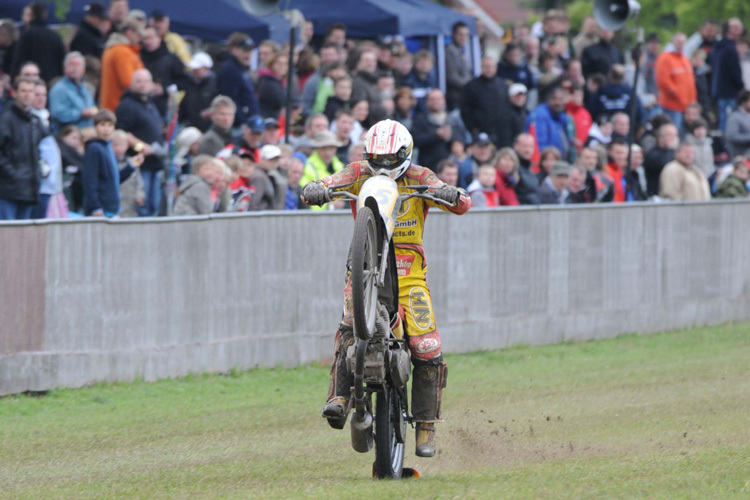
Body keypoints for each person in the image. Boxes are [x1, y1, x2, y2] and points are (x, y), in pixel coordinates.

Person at [301, 119, 470, 458]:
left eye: (392, 159)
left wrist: (450, 193)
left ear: (405, 155)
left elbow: (462, 204)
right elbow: (324, 184)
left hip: (410, 274)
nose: (384, 166)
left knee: (427, 345)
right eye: (377, 158)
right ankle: (339, 397)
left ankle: (425, 425)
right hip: (364, 269)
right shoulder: (356, 172)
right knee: (350, 327)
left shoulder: (421, 177)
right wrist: (316, 189)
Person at [115, 69, 166, 216]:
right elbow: (121, 132)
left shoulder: (149, 103)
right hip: (140, 164)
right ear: (131, 84)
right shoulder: (127, 105)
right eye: (139, 81)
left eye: (146, 81)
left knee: (154, 207)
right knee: (142, 206)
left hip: (155, 162)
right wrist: (141, 147)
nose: (143, 85)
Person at [0, 77, 45, 220]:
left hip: (29, 190)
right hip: (8, 190)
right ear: (15, 93)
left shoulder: (35, 122)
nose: (27, 94)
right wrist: (12, 173)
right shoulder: (6, 120)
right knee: (7, 235)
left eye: (31, 91)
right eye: (23, 90)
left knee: (23, 238)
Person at [461, 56, 512, 149]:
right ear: (481, 67)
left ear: (496, 68)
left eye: (491, 66)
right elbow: (465, 109)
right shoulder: (471, 86)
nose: (489, 69)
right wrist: (472, 128)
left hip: (502, 132)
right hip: (481, 131)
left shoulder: (503, 84)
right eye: (486, 66)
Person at [12, 2, 66, 83]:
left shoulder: (26, 35)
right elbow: (62, 60)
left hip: (30, 82)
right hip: (53, 82)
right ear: (45, 15)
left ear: (31, 15)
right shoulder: (55, 36)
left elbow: (19, 59)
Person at [139, 25, 185, 118]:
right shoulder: (137, 58)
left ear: (159, 38)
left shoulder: (171, 59)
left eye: (150, 38)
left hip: (164, 109)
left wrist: (164, 88)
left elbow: (183, 82)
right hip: (141, 108)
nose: (148, 42)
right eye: (145, 38)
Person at [82, 110, 121, 217]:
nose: (106, 129)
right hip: (101, 209)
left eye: (110, 125)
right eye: (102, 125)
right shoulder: (94, 148)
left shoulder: (108, 148)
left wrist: (131, 167)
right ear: (95, 127)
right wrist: (95, 206)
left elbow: (112, 178)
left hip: (112, 207)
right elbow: (90, 179)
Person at [100, 19, 144, 112]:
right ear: (129, 33)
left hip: (110, 105)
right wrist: (148, 86)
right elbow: (129, 82)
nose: (140, 39)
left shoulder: (112, 48)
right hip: (119, 107)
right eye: (138, 35)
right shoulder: (122, 52)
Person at [655, 33, 696, 130]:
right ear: (673, 43)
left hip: (686, 107)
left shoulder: (684, 59)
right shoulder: (665, 58)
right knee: (673, 132)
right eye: (679, 43)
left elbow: (690, 83)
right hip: (672, 106)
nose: (681, 46)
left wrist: (692, 103)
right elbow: (663, 82)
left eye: (683, 43)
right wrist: (678, 96)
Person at [216, 33, 259, 128]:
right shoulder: (230, 70)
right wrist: (242, 120)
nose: (248, 54)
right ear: (234, 50)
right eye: (245, 50)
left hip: (247, 122)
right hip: (238, 125)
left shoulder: (241, 69)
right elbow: (229, 99)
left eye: (250, 51)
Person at [48, 52, 97, 134]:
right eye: (71, 64)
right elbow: (58, 114)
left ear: (83, 69)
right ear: (64, 68)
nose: (75, 68)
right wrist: (81, 114)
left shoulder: (85, 88)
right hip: (65, 136)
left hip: (86, 135)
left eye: (78, 65)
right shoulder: (59, 89)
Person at [711, 18, 745, 131]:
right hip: (730, 91)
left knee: (724, 117)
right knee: (728, 120)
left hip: (720, 91)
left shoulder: (718, 47)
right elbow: (734, 71)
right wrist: (741, 87)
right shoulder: (729, 49)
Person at [413, 89, 459, 171]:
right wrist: (436, 135)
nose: (435, 102)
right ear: (426, 102)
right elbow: (414, 140)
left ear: (444, 100)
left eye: (438, 99)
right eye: (432, 99)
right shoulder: (420, 119)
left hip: (449, 166)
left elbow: (461, 135)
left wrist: (454, 139)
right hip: (428, 166)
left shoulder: (452, 118)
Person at [527, 85, 573, 162]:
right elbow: (539, 143)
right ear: (548, 100)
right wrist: (545, 161)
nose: (558, 102)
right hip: (546, 162)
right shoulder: (540, 115)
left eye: (560, 99)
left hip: (559, 161)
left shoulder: (561, 116)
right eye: (554, 99)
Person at [110, 129, 145, 217]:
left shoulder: (132, 162)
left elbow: (139, 182)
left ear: (127, 145)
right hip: (116, 201)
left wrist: (139, 195)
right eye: (115, 145)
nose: (118, 148)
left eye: (121, 144)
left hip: (130, 202)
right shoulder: (109, 163)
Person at [179, 52, 217, 132]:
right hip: (192, 127)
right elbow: (184, 105)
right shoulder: (190, 83)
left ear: (207, 68)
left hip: (209, 128)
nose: (194, 71)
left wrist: (212, 110)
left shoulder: (216, 83)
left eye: (197, 69)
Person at [644, 123, 679, 197]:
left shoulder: (675, 153)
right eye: (670, 135)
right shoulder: (652, 154)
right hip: (657, 196)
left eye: (675, 135)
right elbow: (665, 164)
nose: (673, 138)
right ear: (660, 137)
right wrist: (671, 149)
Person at [249, 144, 287, 211]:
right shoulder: (259, 177)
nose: (274, 163)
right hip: (261, 218)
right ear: (261, 159)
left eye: (276, 160)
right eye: (270, 160)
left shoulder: (267, 175)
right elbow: (254, 204)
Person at [445, 21, 472, 110]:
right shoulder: (449, 51)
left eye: (466, 35)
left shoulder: (462, 51)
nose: (463, 38)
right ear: (453, 35)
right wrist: (471, 85)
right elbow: (453, 78)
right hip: (455, 98)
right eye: (461, 35)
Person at [512, 133, 541, 205]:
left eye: (530, 146)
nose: (527, 150)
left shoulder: (530, 169)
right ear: (515, 146)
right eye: (524, 146)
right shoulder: (512, 168)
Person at [725, 90, 750, 159]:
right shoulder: (734, 117)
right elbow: (732, 137)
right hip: (742, 157)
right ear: (743, 102)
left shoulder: (748, 116)